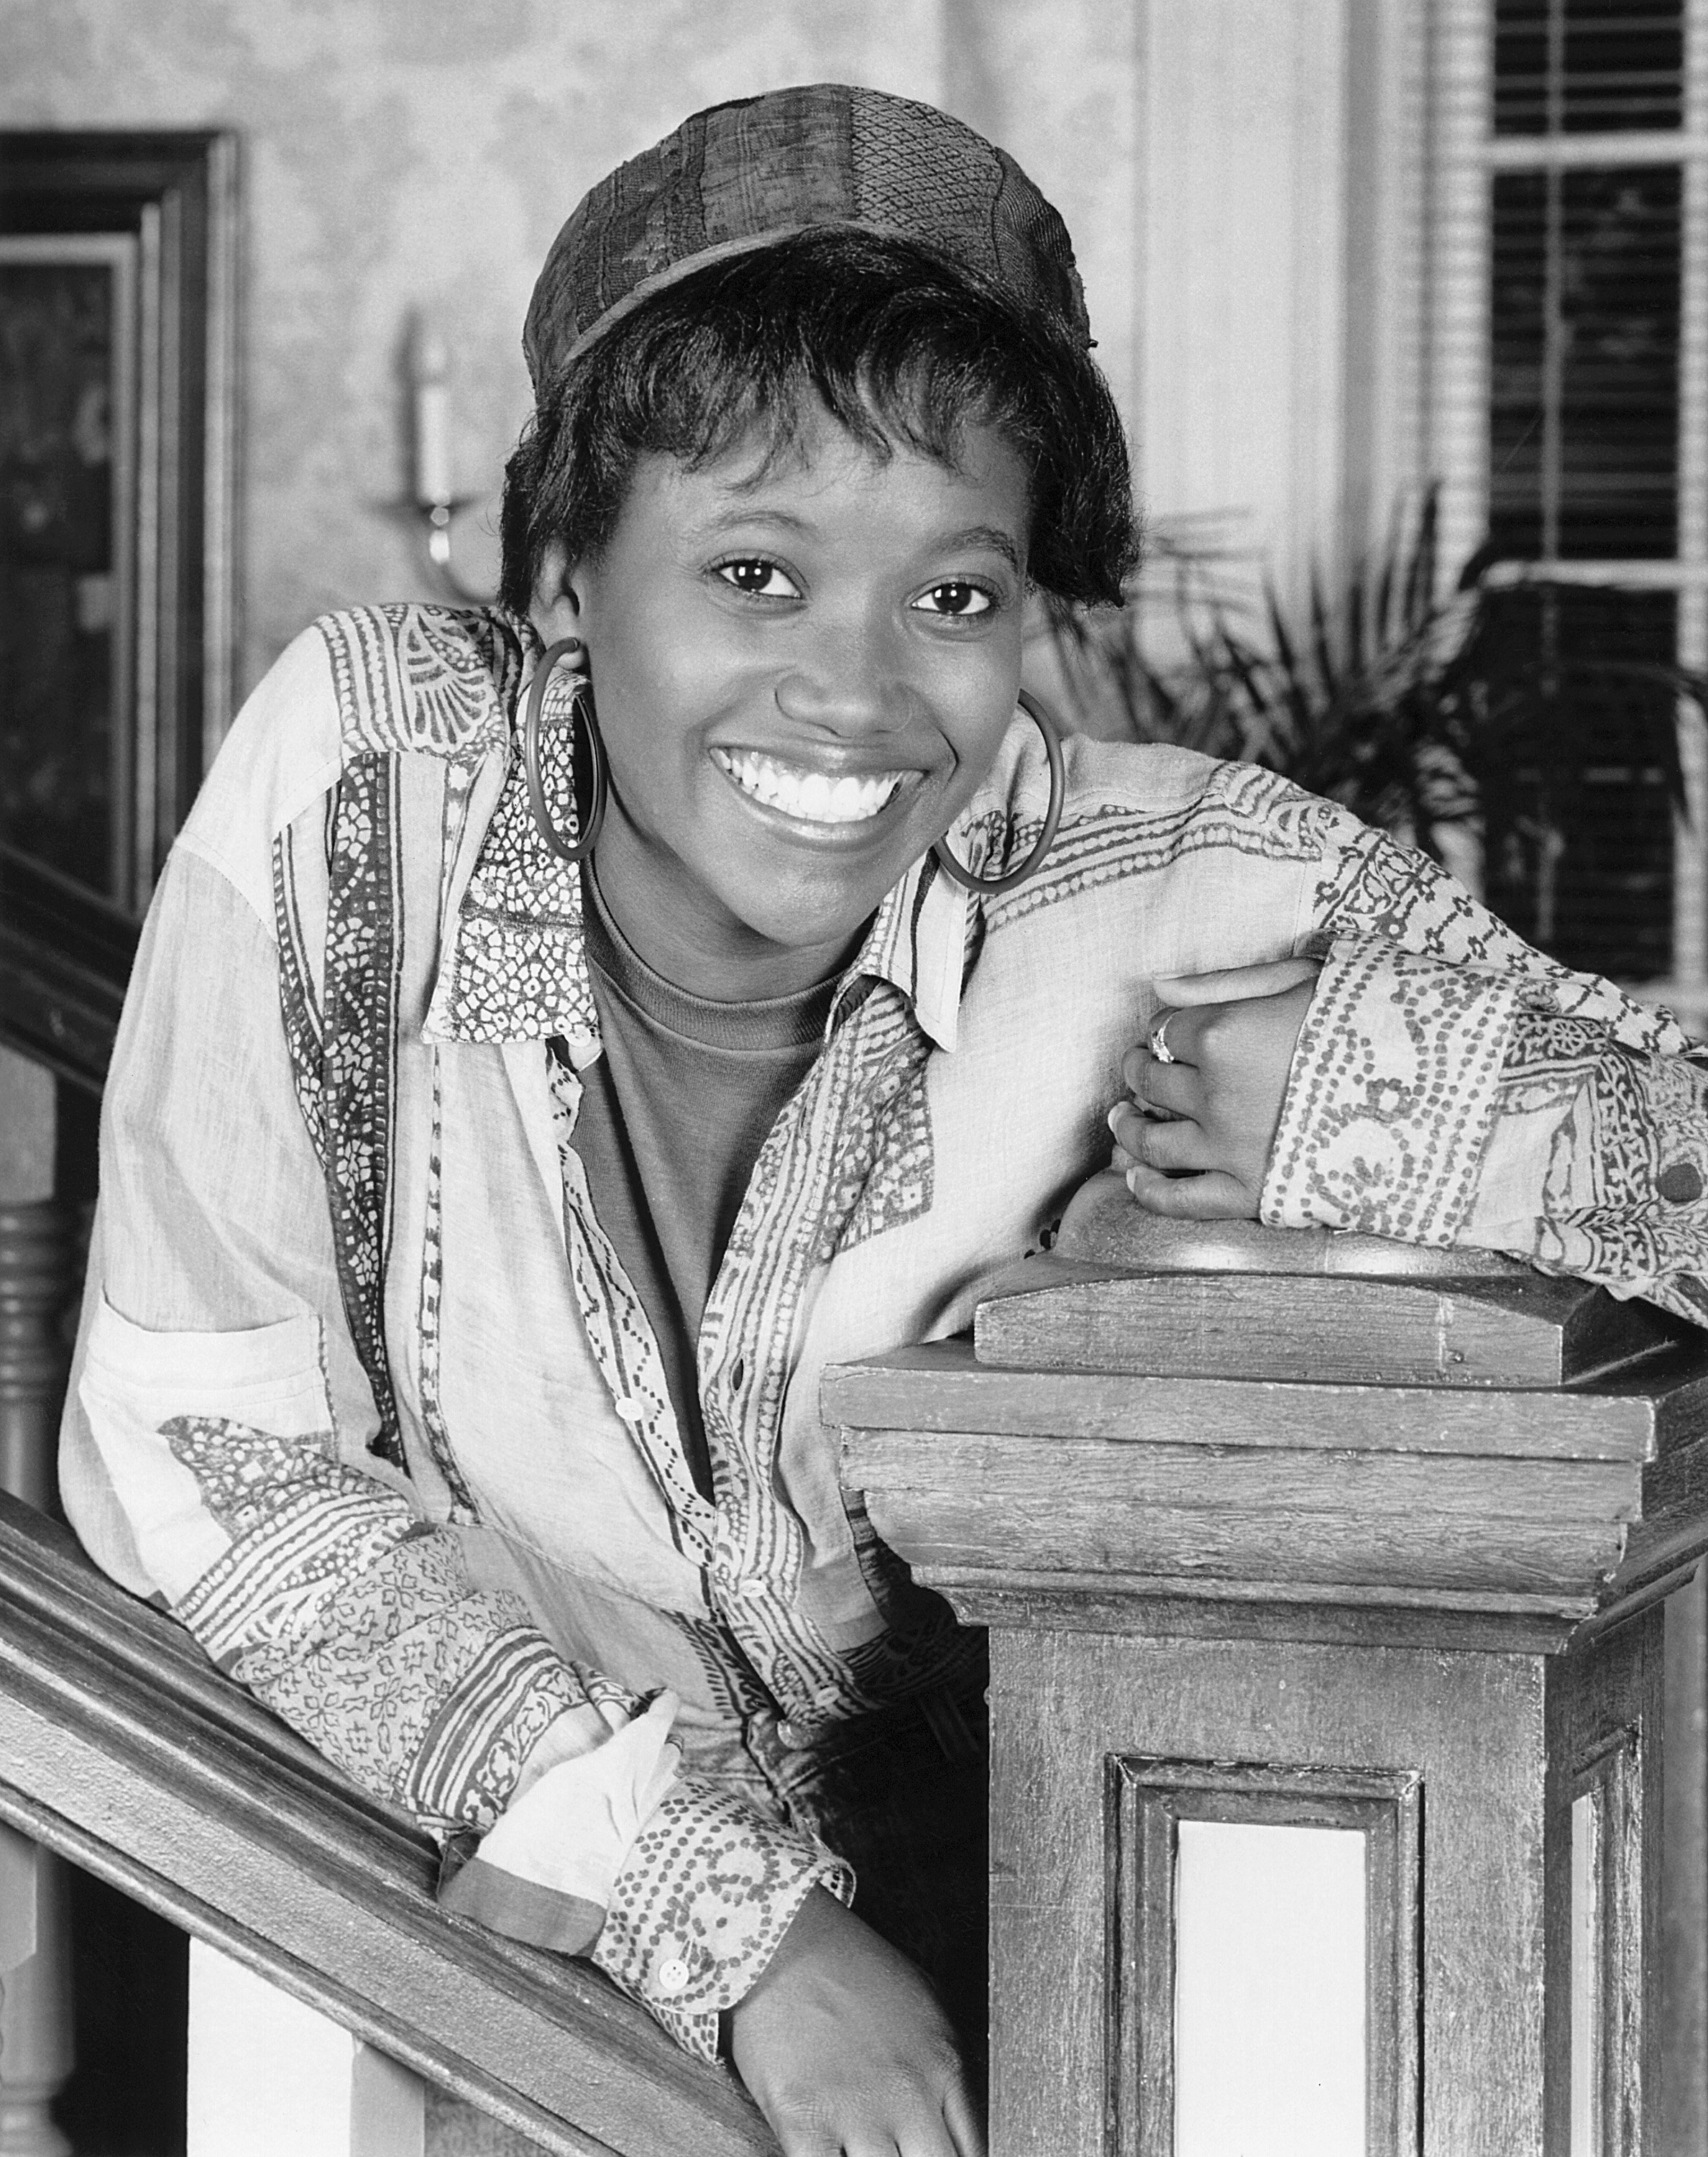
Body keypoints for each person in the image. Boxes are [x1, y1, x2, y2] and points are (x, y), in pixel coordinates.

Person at [60, 82, 1708, 2157]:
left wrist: (1411, 1112)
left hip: (1133, 1979)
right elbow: (203, 1449)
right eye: (756, 570)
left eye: (955, 597)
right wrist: (737, 1929)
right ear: (567, 580)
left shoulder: (1180, 890)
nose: (857, 694)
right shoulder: (375, 771)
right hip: (532, 1978)